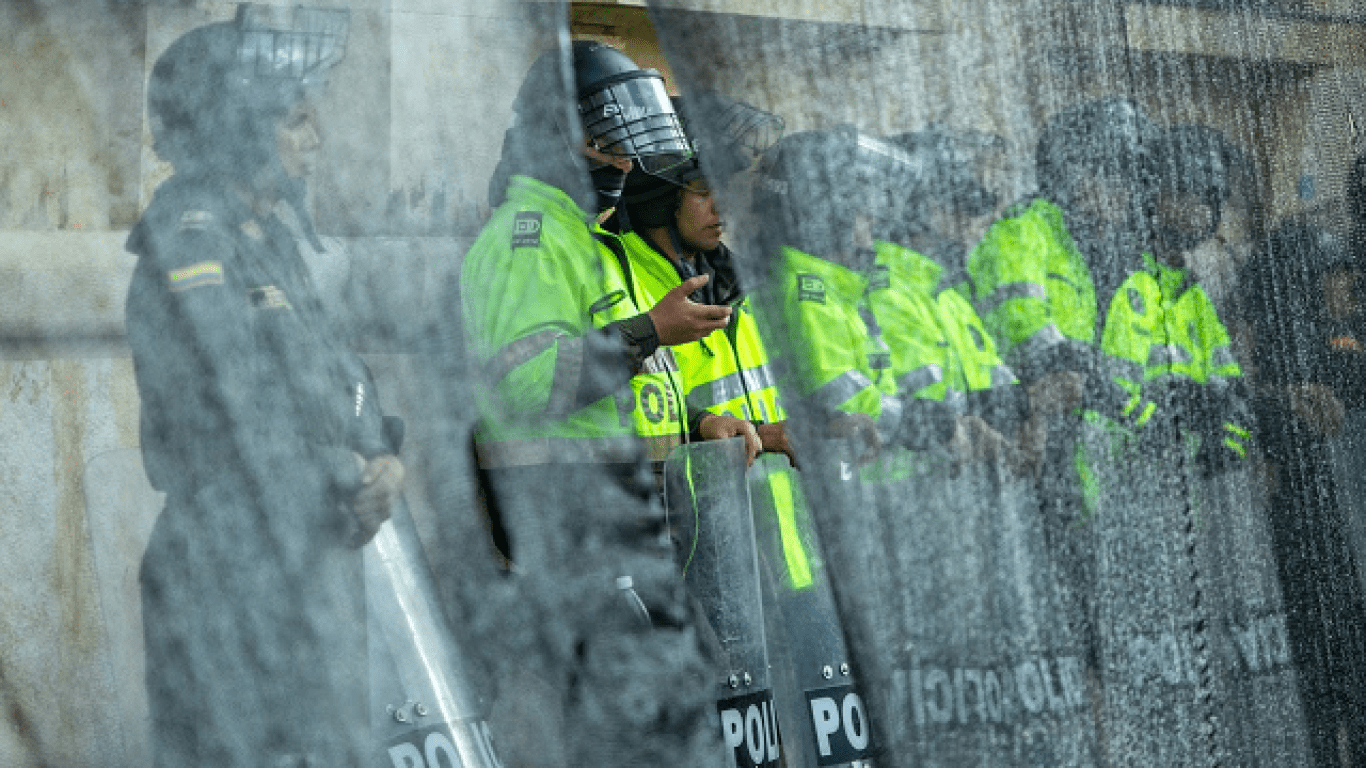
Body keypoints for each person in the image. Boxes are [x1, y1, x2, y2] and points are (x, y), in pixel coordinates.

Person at [125, 7, 401, 765]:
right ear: (237, 129)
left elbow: (342, 371)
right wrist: (342, 468)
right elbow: (227, 405)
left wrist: (382, 454)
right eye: (294, 119)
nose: (316, 140)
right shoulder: (191, 246)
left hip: (305, 549)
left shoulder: (270, 242)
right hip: (227, 563)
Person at [457, 40, 724, 766]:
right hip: (576, 547)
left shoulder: (582, 239)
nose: (625, 164)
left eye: (628, 146)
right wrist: (649, 330)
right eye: (608, 144)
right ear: (557, 135)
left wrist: (699, 420)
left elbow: (624, 395)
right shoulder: (531, 239)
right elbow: (525, 381)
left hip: (623, 544)